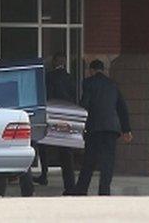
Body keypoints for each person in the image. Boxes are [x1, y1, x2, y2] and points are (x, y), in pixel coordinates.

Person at [68, 59, 131, 196]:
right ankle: (104, 190)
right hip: (111, 129)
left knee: (89, 160)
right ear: (103, 70)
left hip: (95, 128)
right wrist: (126, 130)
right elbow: (122, 108)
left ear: (91, 70)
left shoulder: (88, 83)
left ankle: (81, 189)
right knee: (108, 161)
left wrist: (78, 121)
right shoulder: (113, 84)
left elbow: (85, 103)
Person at [34, 53, 76, 192]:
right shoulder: (70, 78)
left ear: (55, 61)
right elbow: (74, 97)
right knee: (66, 150)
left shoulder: (50, 77)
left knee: (44, 144)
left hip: (52, 113)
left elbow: (46, 95)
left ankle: (44, 173)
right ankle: (69, 183)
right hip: (67, 115)